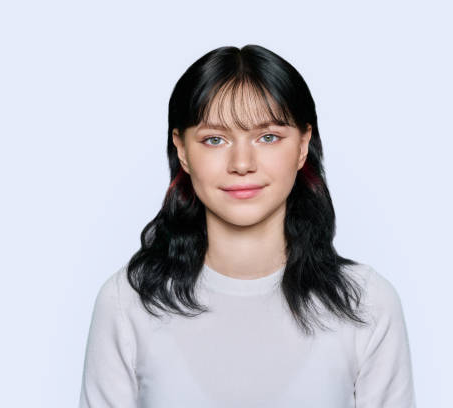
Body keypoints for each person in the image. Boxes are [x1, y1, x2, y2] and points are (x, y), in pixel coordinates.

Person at [78, 44, 416, 408]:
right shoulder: (128, 302)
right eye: (215, 139)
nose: (242, 163)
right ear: (182, 150)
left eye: (268, 137)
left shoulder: (367, 304)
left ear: (303, 145)